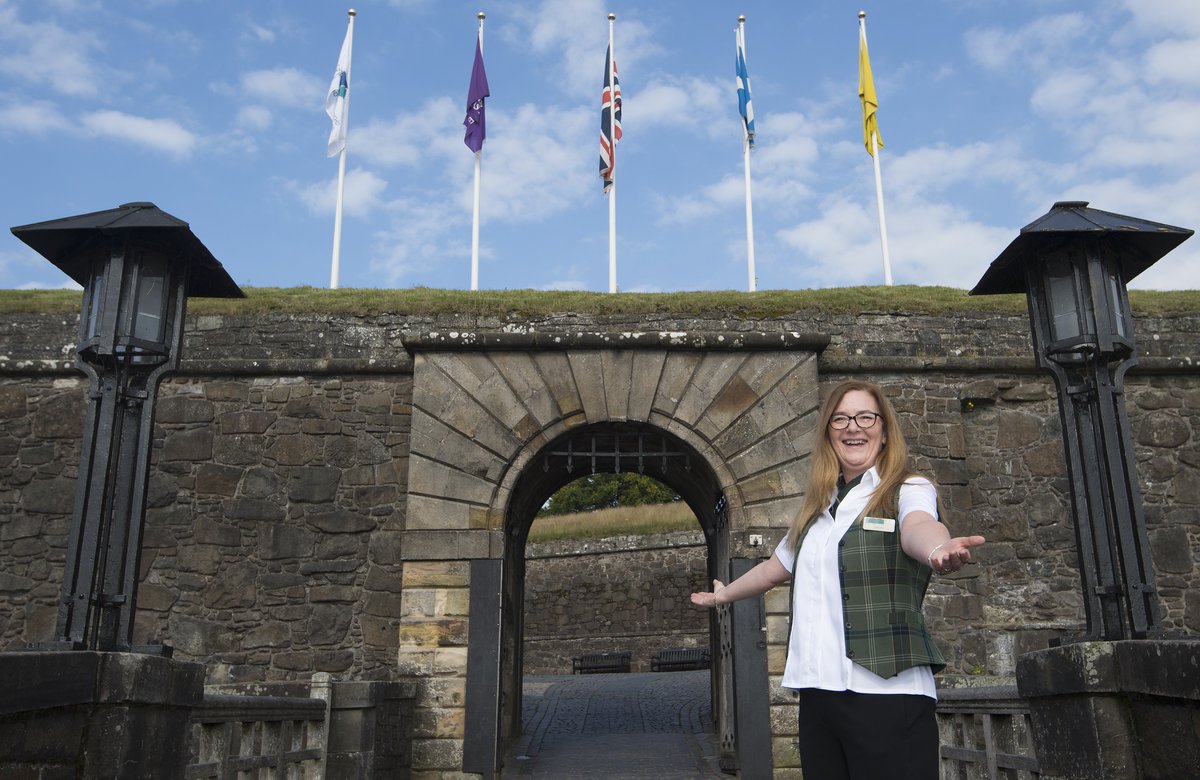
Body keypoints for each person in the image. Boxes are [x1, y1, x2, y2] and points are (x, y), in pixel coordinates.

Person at [691, 379, 985, 779]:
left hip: (888, 693)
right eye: (841, 419)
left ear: (883, 432)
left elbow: (919, 526)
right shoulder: (817, 508)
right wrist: (723, 596)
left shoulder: (907, 488)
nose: (853, 427)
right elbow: (771, 570)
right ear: (829, 434)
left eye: (865, 417)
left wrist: (938, 550)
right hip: (820, 696)